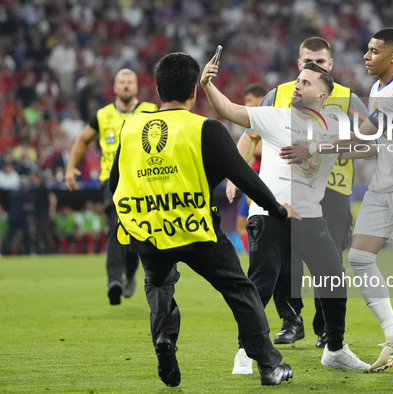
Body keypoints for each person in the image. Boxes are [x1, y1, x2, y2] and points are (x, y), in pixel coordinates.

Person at [109, 52, 293, 387]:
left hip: (149, 231)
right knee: (240, 290)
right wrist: (277, 209)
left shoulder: (130, 128)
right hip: (196, 229)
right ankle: (269, 364)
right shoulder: (205, 129)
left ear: (157, 88)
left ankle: (164, 339)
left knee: (160, 283)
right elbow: (245, 177)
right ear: (195, 90)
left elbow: (114, 183)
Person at [285, 28, 393, 374]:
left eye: (374, 51)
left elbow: (366, 134)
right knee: (358, 257)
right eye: (367, 49)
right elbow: (373, 146)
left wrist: (314, 146)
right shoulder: (377, 87)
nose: (365, 56)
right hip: (384, 182)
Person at [202, 56, 372, 373]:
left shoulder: (335, 123)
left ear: (323, 94)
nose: (298, 85)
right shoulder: (274, 117)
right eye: (298, 80)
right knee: (261, 285)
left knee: (334, 281)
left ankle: (335, 349)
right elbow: (228, 110)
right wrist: (208, 85)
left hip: (311, 217)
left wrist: (318, 147)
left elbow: (370, 144)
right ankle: (245, 352)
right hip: (269, 215)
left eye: (306, 82)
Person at [65, 69, 159, 305]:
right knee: (117, 224)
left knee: (135, 231)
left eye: (130, 82)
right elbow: (83, 139)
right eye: (122, 82)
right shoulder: (103, 115)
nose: (126, 86)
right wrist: (70, 168)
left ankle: (128, 273)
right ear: (115, 88)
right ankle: (114, 281)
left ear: (136, 87)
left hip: (141, 181)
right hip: (112, 181)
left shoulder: (150, 110)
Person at [226, 84, 266, 253]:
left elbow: (262, 149)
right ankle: (255, 260)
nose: (247, 105)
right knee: (242, 226)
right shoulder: (256, 123)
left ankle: (260, 260)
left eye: (249, 100)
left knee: (248, 225)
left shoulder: (268, 119)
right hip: (254, 176)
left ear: (261, 99)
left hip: (263, 178)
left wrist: (243, 145)